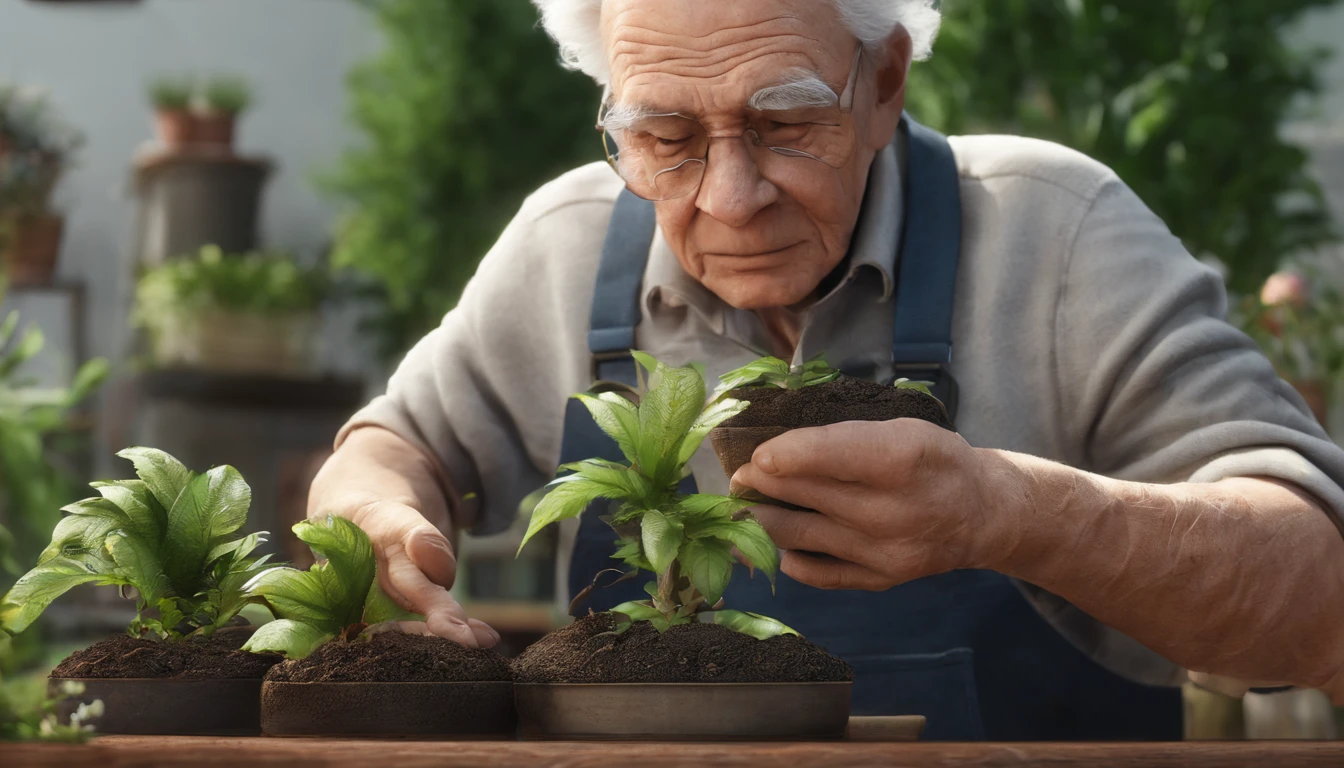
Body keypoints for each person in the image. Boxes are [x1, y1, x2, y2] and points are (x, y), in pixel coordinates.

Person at [308, 0, 1344, 740]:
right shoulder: (571, 247)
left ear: (885, 81)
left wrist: (1016, 514)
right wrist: (378, 520)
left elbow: (1320, 598)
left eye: (785, 123)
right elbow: (391, 448)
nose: (729, 195)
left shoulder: (1055, 237)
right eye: (663, 136)